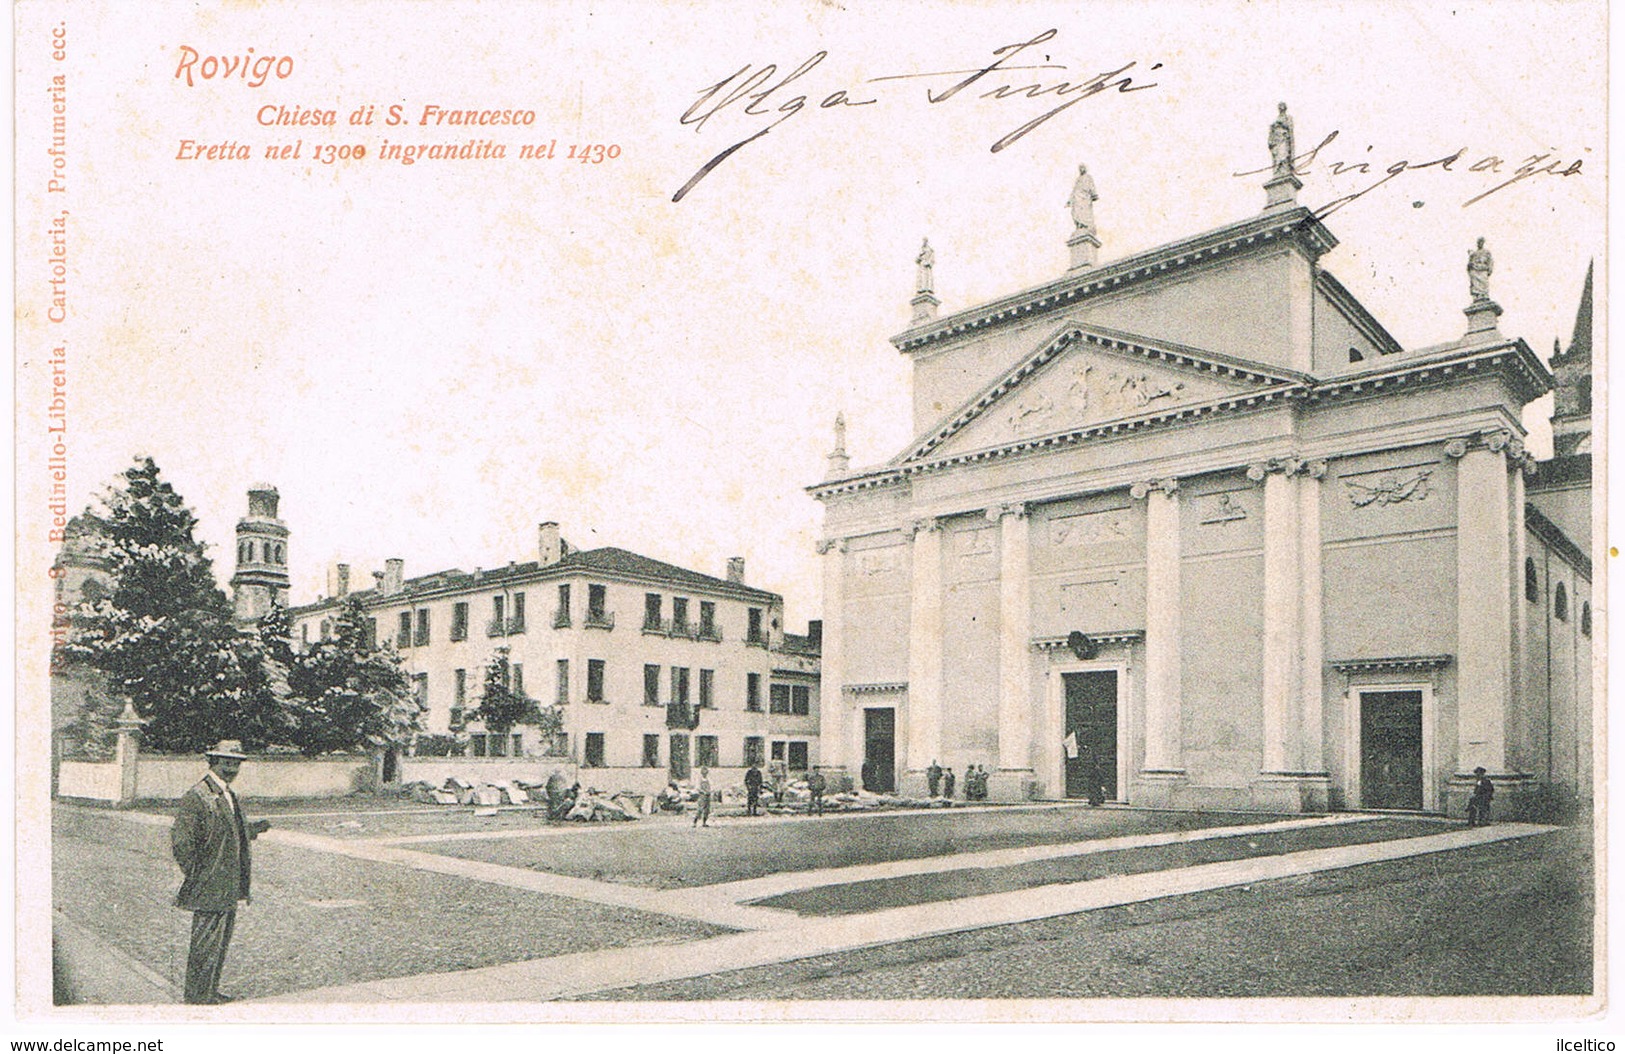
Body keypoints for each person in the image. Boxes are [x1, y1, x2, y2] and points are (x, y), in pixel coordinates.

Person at [170, 740, 270, 1005]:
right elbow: (182, 842)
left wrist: (251, 830)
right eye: (227, 761)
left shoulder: (227, 793)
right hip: (210, 884)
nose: (232, 767)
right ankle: (197, 995)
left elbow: (226, 831)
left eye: (236, 762)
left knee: (219, 942)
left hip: (228, 883)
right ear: (213, 761)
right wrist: (199, 873)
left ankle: (209, 991)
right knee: (205, 943)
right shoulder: (199, 794)